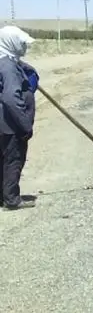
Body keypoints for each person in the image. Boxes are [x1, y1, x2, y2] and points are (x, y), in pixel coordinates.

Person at [0, 24, 37, 211]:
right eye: (22, 44)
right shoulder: (8, 67)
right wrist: (24, 125)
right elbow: (10, 98)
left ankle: (4, 196)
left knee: (3, 160)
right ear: (11, 43)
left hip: (3, 123)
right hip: (10, 124)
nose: (24, 47)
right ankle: (12, 200)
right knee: (13, 159)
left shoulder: (6, 62)